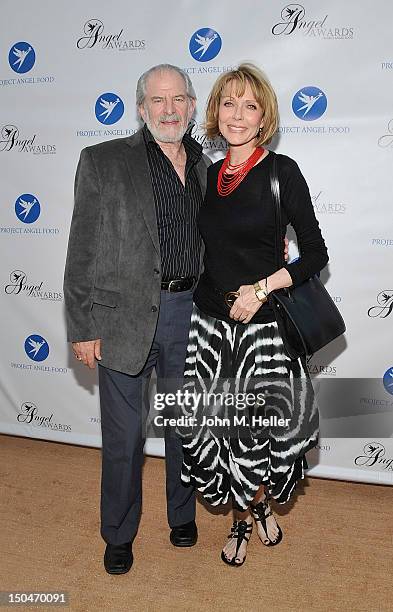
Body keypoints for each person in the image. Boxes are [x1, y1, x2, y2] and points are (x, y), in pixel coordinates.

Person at [177, 63, 329, 567]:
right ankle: (242, 517)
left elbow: (314, 255)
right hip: (210, 329)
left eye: (249, 105)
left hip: (262, 332)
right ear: (215, 112)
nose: (237, 115)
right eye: (228, 103)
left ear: (263, 117)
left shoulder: (282, 172)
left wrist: (262, 287)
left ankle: (258, 507)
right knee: (218, 431)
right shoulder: (208, 174)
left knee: (256, 434)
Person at [63, 64, 210, 574]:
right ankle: (118, 533)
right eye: (157, 101)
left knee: (183, 425)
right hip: (121, 318)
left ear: (191, 106)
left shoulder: (205, 167)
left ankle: (181, 514)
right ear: (142, 108)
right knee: (123, 439)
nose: (168, 110)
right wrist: (82, 326)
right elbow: (81, 249)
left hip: (190, 312)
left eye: (178, 100)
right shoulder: (103, 161)